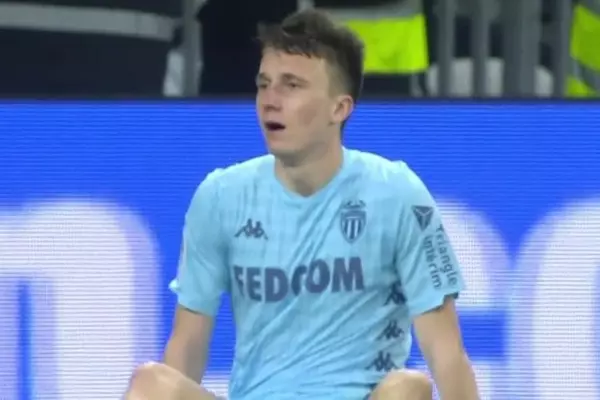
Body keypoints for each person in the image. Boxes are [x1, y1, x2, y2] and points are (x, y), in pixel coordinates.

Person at [125, 8, 479, 400]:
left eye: (291, 86)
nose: (269, 101)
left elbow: (447, 355)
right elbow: (187, 345)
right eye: (264, 85)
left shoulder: (397, 193)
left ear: (339, 108)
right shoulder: (221, 195)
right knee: (151, 384)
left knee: (408, 388)